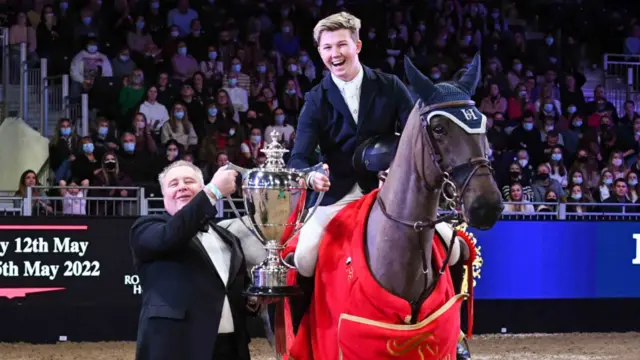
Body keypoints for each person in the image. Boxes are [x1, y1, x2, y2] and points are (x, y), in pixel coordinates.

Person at [287, 12, 414, 277]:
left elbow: (416, 137)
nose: (335, 53)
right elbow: (298, 157)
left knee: (452, 245)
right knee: (304, 259)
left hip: (388, 190)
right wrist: (311, 176)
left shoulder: (390, 85)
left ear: (357, 46)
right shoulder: (314, 100)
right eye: (327, 47)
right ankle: (309, 319)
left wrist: (398, 167)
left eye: (342, 44)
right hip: (336, 195)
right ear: (320, 53)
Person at [129, 160, 270, 360]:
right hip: (176, 348)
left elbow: (236, 291)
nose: (182, 187)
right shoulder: (146, 228)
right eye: (173, 184)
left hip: (230, 348)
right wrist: (212, 192)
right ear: (164, 197)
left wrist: (254, 300)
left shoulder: (228, 238)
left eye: (189, 181)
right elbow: (171, 235)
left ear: (201, 187)